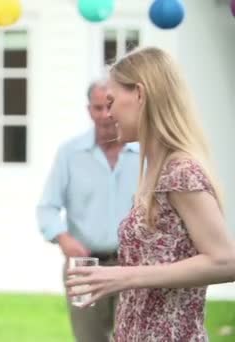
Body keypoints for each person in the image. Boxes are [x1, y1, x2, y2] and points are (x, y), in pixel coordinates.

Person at [67, 47, 235, 341]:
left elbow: (226, 261)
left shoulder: (180, 171)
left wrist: (123, 276)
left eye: (112, 101)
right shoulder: (153, 171)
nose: (109, 114)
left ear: (141, 95)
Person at [36, 80, 139, 342]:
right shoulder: (70, 153)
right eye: (97, 108)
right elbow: (47, 208)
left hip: (133, 266)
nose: (105, 115)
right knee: (89, 339)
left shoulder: (144, 152)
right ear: (88, 110)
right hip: (85, 268)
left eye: (109, 106)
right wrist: (63, 238)